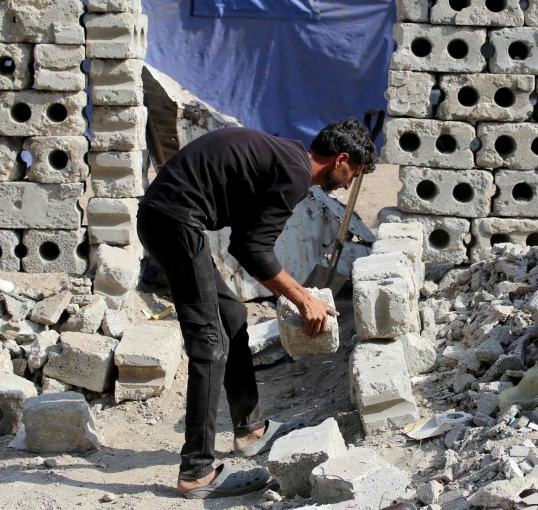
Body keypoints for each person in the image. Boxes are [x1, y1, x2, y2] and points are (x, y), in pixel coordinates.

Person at [136, 118, 377, 500]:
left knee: (232, 315)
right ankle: (196, 472)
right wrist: (302, 298)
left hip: (171, 219)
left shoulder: (286, 158)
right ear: (341, 159)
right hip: (173, 221)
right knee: (209, 341)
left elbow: (245, 241)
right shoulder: (295, 172)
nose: (348, 185)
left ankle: (252, 430)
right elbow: (252, 251)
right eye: (354, 174)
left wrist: (298, 292)